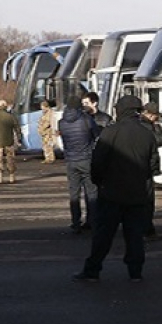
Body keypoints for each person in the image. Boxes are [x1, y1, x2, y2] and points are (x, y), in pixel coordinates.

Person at [73, 95, 160, 282]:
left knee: (103, 235)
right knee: (135, 236)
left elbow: (97, 162)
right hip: (137, 193)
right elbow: (153, 165)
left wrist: (99, 182)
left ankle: (92, 270)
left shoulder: (110, 132)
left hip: (111, 192)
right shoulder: (147, 134)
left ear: (120, 110)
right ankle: (135, 272)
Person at [58, 96, 100, 233]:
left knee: (74, 193)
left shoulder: (61, 122)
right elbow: (96, 136)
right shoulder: (86, 120)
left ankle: (75, 222)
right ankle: (92, 221)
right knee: (91, 192)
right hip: (86, 159)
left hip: (71, 160)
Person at [141, 102, 162, 241]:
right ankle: (148, 231)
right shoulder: (150, 127)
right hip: (147, 167)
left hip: (138, 167)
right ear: (151, 115)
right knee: (148, 201)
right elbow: (159, 141)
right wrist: (157, 128)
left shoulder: (138, 125)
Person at [38, 99, 57, 164]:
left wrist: (42, 128)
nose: (42, 109)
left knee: (48, 146)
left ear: (46, 107)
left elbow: (49, 122)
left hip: (48, 132)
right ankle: (47, 158)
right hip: (44, 133)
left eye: (43, 108)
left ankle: (50, 158)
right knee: (45, 146)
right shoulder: (45, 113)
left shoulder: (50, 113)